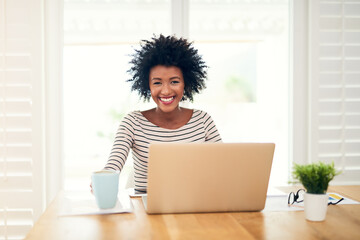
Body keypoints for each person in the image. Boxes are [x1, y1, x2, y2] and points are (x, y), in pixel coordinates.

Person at [102, 34, 222, 192]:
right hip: (146, 209)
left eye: (174, 81)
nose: (166, 91)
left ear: (186, 83)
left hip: (193, 206)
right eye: (157, 82)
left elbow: (222, 168)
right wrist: (103, 178)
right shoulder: (133, 122)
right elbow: (113, 166)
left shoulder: (203, 121)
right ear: (147, 85)